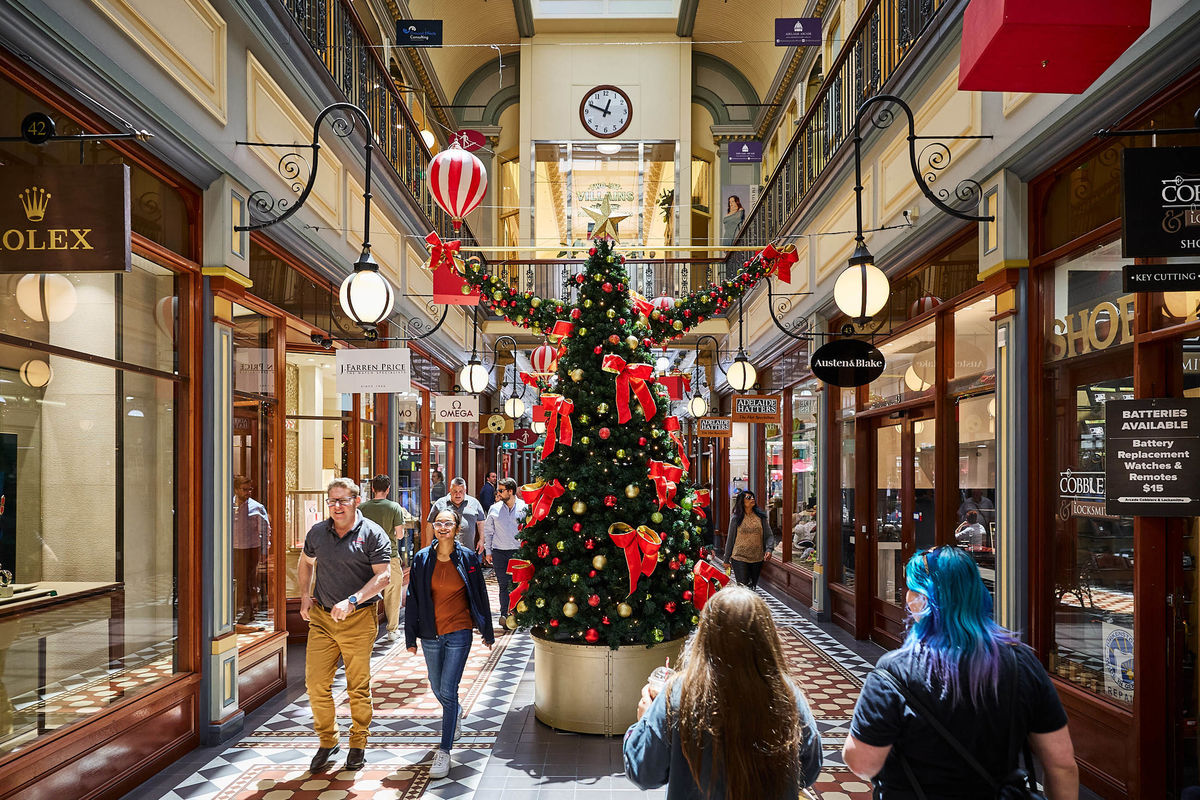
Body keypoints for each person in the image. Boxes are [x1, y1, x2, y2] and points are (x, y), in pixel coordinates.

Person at [843, 546, 1078, 799]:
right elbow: (1062, 766)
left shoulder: (894, 672)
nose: (907, 596)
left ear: (924, 599)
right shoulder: (1021, 664)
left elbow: (863, 763)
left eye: (911, 588)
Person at [623, 585, 822, 799]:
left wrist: (643, 724)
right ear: (766, 637)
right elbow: (809, 768)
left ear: (705, 635)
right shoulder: (785, 692)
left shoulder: (679, 692)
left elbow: (644, 773)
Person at [298, 478, 391, 773]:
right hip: (322, 618)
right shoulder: (317, 533)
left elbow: (384, 576)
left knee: (357, 687)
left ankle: (358, 742)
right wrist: (304, 596)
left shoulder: (373, 534)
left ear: (356, 500)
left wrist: (353, 599)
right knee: (315, 684)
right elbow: (305, 562)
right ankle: (328, 740)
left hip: (359, 619)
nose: (337, 506)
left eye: (343, 500)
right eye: (332, 501)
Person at [405, 506, 495, 780]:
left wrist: (487, 631)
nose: (443, 527)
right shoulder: (422, 558)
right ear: (433, 526)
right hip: (431, 632)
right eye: (438, 523)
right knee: (436, 684)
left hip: (459, 631)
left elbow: (479, 594)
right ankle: (453, 714)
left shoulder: (467, 557)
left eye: (448, 523)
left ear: (457, 528)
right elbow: (413, 598)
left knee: (448, 686)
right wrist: (410, 637)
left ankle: (444, 751)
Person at [358, 474, 406, 642]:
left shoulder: (362, 508)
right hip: (390, 556)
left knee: (368, 594)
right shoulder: (394, 507)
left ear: (372, 489)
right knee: (392, 593)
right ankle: (392, 630)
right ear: (388, 489)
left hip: (367, 557)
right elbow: (400, 535)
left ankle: (368, 631)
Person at [484, 477, 527, 629]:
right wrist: (488, 551)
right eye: (498, 491)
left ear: (511, 491)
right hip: (499, 553)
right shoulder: (494, 509)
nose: (499, 494)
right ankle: (505, 614)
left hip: (518, 552)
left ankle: (519, 615)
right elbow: (488, 532)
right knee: (503, 585)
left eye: (501, 491)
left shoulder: (524, 507)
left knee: (518, 585)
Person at [232, 475, 271, 625]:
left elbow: (265, 530)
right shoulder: (229, 505)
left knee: (248, 581)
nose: (248, 492)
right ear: (236, 489)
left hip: (250, 549)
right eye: (244, 489)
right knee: (233, 580)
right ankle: (232, 610)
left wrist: (264, 551)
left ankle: (249, 612)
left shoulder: (257, 507)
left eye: (250, 489)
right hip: (233, 549)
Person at [723, 490, 775, 589]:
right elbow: (730, 540)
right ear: (742, 502)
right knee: (743, 587)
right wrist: (726, 560)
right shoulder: (736, 518)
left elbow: (769, 535)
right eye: (748, 498)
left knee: (752, 587)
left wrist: (769, 549)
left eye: (752, 497)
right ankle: (742, 604)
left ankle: (749, 604)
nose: (752, 499)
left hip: (757, 557)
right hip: (739, 557)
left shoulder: (761, 517)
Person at [428, 477, 486, 552]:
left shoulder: (474, 503)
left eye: (461, 491)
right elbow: (430, 524)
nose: (457, 494)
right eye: (455, 491)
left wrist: (482, 540)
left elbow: (481, 522)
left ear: (465, 490)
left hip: (467, 550)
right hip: (444, 551)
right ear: (450, 490)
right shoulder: (440, 503)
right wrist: (428, 544)